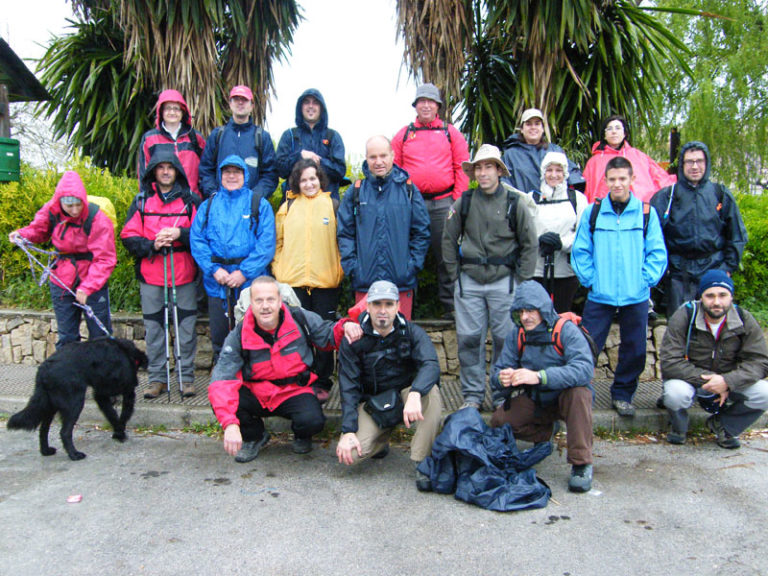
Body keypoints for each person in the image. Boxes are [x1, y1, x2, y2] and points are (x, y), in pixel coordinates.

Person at [208, 276, 362, 461]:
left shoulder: (299, 317)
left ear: (280, 300)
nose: (265, 306)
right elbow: (222, 378)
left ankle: (302, 435)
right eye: (259, 300)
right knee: (221, 400)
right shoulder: (239, 333)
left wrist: (346, 327)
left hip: (294, 390)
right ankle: (254, 436)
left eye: (270, 299)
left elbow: (327, 333)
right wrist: (230, 424)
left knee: (313, 421)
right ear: (251, 304)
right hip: (256, 392)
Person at [441, 144, 538, 409]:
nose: (483, 173)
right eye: (478, 168)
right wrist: (455, 275)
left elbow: (530, 243)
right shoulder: (465, 202)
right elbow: (448, 240)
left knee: (505, 340)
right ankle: (472, 396)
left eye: (488, 167)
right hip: (469, 282)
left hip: (504, 282)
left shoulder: (514, 202)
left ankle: (500, 395)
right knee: (469, 339)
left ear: (498, 170)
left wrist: (521, 280)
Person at [571, 156, 668, 417]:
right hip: (600, 295)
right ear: (605, 181)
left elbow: (657, 253)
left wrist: (644, 280)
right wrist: (591, 280)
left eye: (622, 179)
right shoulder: (593, 212)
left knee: (635, 349)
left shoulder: (646, 213)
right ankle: (580, 394)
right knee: (586, 346)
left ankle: (623, 394)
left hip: (635, 295)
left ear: (631, 180)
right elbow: (581, 251)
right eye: (612, 179)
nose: (617, 184)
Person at [490, 281, 595, 492]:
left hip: (566, 397)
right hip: (536, 399)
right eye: (520, 312)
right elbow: (496, 373)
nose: (525, 317)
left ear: (543, 309)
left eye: (530, 310)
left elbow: (584, 370)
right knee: (498, 422)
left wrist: (539, 376)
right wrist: (503, 379)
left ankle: (581, 463)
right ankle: (545, 432)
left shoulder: (566, 330)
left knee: (579, 394)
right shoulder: (517, 334)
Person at [335, 280, 441, 489]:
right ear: (368, 307)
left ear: (398, 306)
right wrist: (347, 431)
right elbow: (348, 387)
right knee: (350, 455)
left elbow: (430, 364)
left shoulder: (412, 332)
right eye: (377, 304)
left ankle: (422, 460)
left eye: (388, 304)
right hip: (374, 405)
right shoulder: (354, 339)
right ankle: (380, 441)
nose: (382, 311)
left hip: (407, 396)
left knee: (432, 393)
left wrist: (415, 393)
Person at [121, 149, 200, 399]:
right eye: (161, 167)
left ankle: (186, 378)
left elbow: (202, 235)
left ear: (177, 170)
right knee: (154, 330)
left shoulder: (191, 201)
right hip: (152, 274)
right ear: (153, 171)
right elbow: (128, 236)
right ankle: (157, 379)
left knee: (186, 328)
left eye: (170, 167)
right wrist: (152, 244)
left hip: (183, 274)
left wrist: (180, 235)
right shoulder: (141, 201)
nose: (166, 172)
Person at [9, 171, 116, 349]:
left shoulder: (97, 218)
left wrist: (87, 287)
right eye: (69, 206)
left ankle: (104, 376)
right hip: (61, 278)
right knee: (67, 336)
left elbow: (105, 258)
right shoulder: (51, 211)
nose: (74, 210)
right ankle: (68, 375)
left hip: (92, 280)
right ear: (60, 202)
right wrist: (22, 234)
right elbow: (38, 231)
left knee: (100, 337)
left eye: (78, 205)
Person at [661, 270, 768, 448]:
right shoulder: (685, 315)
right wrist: (711, 381)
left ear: (731, 297)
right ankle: (679, 428)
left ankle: (724, 426)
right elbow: (669, 361)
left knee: (765, 393)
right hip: (691, 379)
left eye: (722, 295)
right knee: (675, 393)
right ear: (701, 297)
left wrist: (727, 381)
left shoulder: (744, 319)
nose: (716, 302)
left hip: (730, 380)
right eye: (710, 295)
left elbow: (760, 362)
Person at [392, 83, 470, 318]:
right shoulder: (404, 134)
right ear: (415, 106)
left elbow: (463, 167)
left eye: (430, 101)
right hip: (411, 204)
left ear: (438, 106)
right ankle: (403, 310)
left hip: (443, 202)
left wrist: (457, 201)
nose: (426, 105)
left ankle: (452, 308)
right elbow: (393, 167)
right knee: (405, 255)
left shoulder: (450, 132)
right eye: (421, 101)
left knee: (447, 255)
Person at [190, 154, 276, 362]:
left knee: (254, 333)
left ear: (244, 175)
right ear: (220, 175)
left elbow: (266, 244)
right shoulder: (208, 205)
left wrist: (243, 272)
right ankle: (222, 375)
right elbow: (197, 240)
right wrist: (214, 269)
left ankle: (254, 375)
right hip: (216, 281)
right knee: (220, 334)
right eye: (227, 172)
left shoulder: (259, 204)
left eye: (236, 172)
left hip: (249, 282)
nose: (231, 176)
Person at [336, 135, 430, 320]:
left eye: (383, 155)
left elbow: (421, 232)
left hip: (401, 284)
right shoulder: (355, 191)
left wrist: (411, 266)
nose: (378, 161)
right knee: (364, 342)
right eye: (373, 157)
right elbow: (345, 234)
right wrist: (354, 268)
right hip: (365, 285)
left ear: (392, 156)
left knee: (400, 342)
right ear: (366, 158)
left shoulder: (409, 190)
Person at [272, 159, 343, 401]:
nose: (309, 183)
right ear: (296, 182)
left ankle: (323, 381)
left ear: (320, 179)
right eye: (304, 180)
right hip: (293, 282)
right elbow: (278, 243)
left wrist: (339, 270)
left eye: (313, 178)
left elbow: (343, 242)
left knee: (324, 334)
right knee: (296, 334)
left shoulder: (333, 204)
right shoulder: (287, 206)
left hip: (326, 282)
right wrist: (279, 270)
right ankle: (300, 379)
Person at [650, 141, 748, 316]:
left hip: (713, 268)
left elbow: (736, 235)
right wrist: (663, 270)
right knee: (679, 326)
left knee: (713, 324)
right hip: (679, 273)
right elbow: (652, 236)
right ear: (682, 164)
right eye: (689, 161)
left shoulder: (720, 194)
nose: (694, 166)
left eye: (699, 161)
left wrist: (727, 267)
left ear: (707, 163)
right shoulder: (667, 196)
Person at [528, 151, 589, 313]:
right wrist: (540, 240)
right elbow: (523, 233)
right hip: (536, 271)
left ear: (565, 173)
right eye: (549, 170)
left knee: (562, 320)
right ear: (543, 172)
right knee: (536, 319)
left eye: (559, 170)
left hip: (566, 273)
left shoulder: (577, 199)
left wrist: (562, 243)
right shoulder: (531, 198)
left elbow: (584, 235)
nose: (554, 175)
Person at [198, 85, 278, 199]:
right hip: (221, 206)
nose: (240, 103)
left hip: (251, 208)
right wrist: (214, 194)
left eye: (244, 100)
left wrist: (254, 197)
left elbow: (270, 175)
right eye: (236, 99)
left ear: (252, 106)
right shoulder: (217, 135)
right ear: (230, 104)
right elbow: (205, 170)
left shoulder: (262, 137)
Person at [582, 114, 675, 203]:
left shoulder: (638, 156)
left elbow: (660, 178)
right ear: (604, 135)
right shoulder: (594, 162)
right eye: (609, 129)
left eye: (618, 128)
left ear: (624, 133)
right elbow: (586, 189)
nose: (614, 132)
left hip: (637, 211)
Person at [275, 89, 346, 200]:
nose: (311, 106)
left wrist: (317, 161)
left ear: (321, 108)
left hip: (326, 205)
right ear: (301, 107)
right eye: (307, 102)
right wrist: (299, 156)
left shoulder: (333, 136)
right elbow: (280, 169)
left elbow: (340, 171)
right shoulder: (289, 135)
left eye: (315, 102)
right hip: (294, 205)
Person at [137, 89, 206, 198]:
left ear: (183, 112)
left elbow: (206, 169)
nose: (172, 112)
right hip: (161, 203)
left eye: (176, 109)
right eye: (168, 108)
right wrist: (146, 200)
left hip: (192, 201)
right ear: (161, 111)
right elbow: (144, 174)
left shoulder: (195, 138)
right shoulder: (150, 139)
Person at [501, 108, 585, 194]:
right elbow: (504, 183)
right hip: (522, 205)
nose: (533, 127)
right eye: (529, 124)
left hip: (552, 204)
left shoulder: (555, 151)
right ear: (522, 129)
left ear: (543, 128)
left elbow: (573, 174)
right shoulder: (510, 155)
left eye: (537, 124)